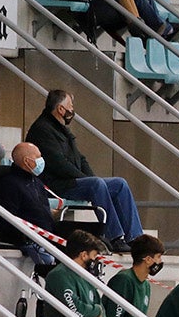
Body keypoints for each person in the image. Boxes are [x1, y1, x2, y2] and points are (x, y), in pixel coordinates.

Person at [26, 89, 141, 252]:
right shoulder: (42, 130)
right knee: (96, 184)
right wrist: (87, 181)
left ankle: (136, 239)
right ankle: (114, 237)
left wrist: (90, 179)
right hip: (57, 185)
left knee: (119, 184)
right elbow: (58, 164)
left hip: (72, 180)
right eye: (70, 107)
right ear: (60, 109)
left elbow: (80, 158)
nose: (72, 111)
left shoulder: (60, 129)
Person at [42, 230, 175, 317]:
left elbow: (103, 315)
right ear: (83, 255)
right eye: (94, 256)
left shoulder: (86, 277)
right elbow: (76, 309)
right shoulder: (59, 275)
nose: (96, 261)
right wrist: (97, 311)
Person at [0, 142, 58, 261]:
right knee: (49, 260)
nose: (41, 160)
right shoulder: (9, 184)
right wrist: (27, 239)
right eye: (38, 157)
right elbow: (7, 220)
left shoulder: (36, 182)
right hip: (25, 242)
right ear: (27, 161)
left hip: (45, 239)